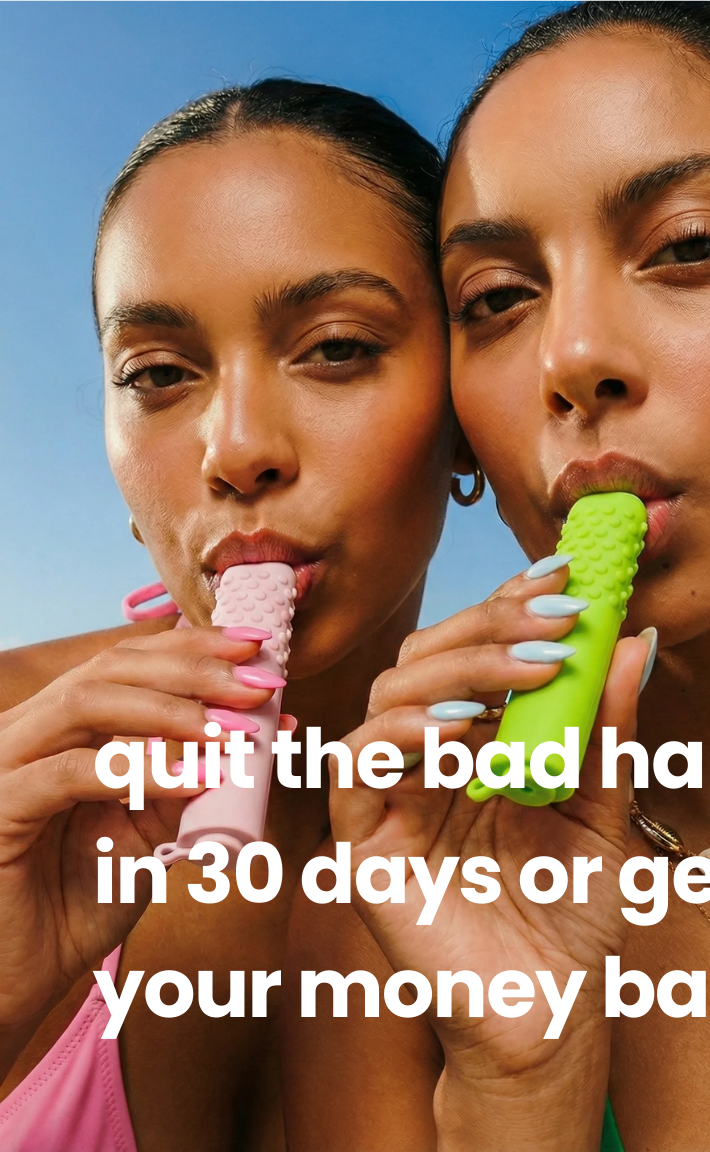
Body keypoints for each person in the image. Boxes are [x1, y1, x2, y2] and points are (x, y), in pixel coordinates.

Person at [289, 5, 710, 1150]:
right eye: (494, 301)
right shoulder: (405, 909)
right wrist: (519, 1085)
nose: (572, 355)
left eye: (687, 246)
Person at [0, 77, 466, 1152]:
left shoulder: (562, 835)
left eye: (335, 347)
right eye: (158, 373)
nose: (237, 448)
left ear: (464, 411)